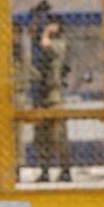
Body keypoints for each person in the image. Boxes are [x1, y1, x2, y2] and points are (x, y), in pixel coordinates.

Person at [33, 13, 71, 182]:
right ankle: (44, 170)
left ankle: (65, 169)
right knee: (41, 137)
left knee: (58, 136)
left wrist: (46, 32)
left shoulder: (60, 44)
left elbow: (45, 43)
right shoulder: (42, 43)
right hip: (41, 95)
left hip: (54, 96)